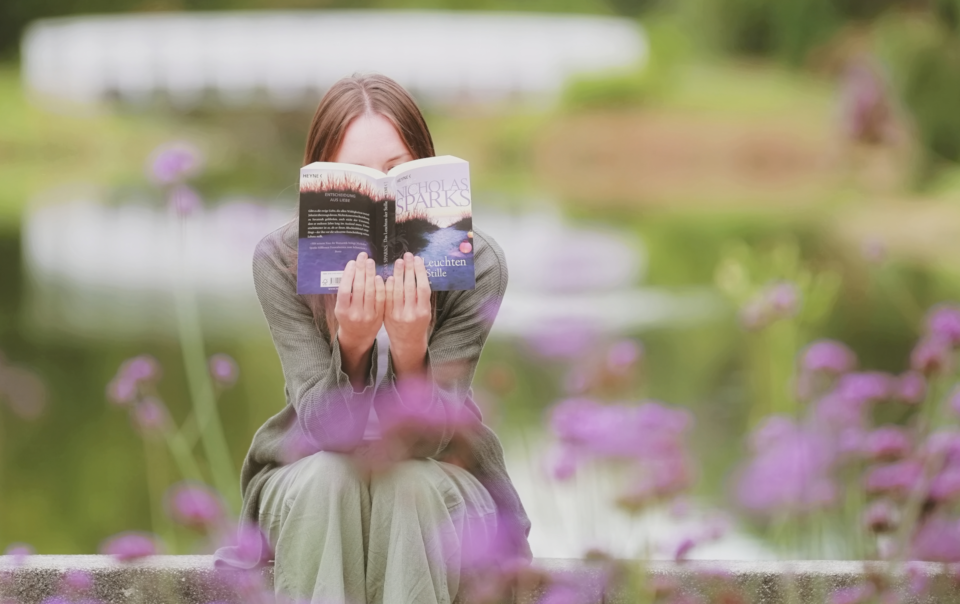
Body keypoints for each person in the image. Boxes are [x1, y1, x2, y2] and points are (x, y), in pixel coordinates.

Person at [214, 73, 531, 604]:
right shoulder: (281, 260)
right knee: (329, 478)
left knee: (408, 485)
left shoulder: (476, 263)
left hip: (442, 477)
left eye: (394, 170)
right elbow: (323, 431)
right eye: (356, 176)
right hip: (308, 477)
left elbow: (430, 442)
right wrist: (354, 346)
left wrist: (410, 349)